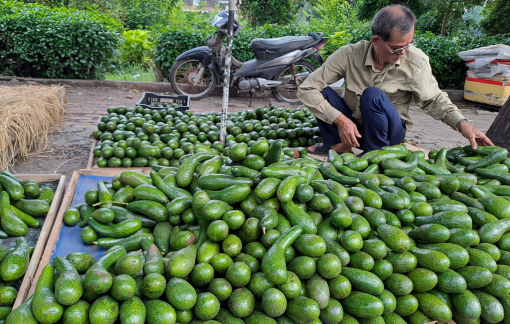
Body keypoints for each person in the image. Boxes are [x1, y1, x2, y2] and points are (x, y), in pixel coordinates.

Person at [297, 4, 493, 155]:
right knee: (323, 91)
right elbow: (306, 89)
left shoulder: (415, 61)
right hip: (354, 130)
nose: (403, 52)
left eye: (408, 44)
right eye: (397, 48)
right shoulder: (349, 54)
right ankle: (340, 146)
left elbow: (434, 99)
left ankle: (374, 155)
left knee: (372, 95)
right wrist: (340, 120)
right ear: (376, 41)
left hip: (390, 133)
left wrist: (464, 126)